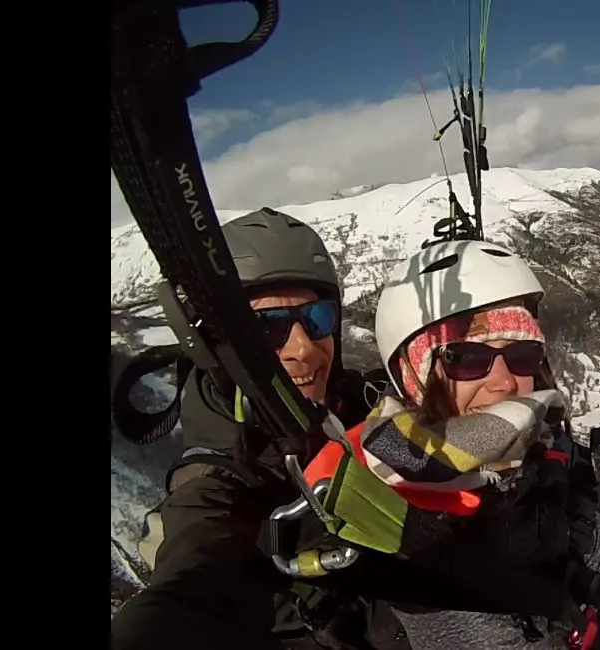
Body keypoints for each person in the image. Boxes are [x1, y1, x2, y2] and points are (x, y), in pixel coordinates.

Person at [301, 240, 600, 649]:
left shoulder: (528, 435)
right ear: (413, 374)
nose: (505, 382)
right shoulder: (416, 534)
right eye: (465, 358)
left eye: (522, 355)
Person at [111, 207, 393, 650]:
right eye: (268, 327)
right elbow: (199, 570)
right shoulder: (221, 475)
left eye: (317, 318)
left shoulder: (346, 399)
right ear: (222, 349)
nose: (303, 347)